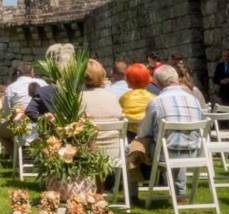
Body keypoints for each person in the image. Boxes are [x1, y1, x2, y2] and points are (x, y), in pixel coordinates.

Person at [131, 65, 204, 201]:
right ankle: (180, 193)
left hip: (165, 154)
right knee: (179, 141)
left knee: (133, 147)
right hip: (194, 152)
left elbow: (143, 132)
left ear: (157, 83)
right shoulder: (194, 100)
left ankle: (132, 196)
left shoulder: (156, 102)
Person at [26, 44, 75, 121]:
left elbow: (30, 111)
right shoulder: (82, 91)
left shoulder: (43, 92)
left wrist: (46, 120)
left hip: (53, 129)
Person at [80, 59, 123, 127]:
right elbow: (120, 116)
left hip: (91, 137)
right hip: (115, 137)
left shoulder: (79, 99)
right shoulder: (113, 96)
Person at [119, 63, 156, 138]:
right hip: (148, 136)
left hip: (130, 136)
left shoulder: (125, 97)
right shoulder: (153, 98)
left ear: (128, 81)